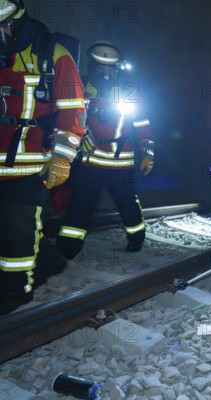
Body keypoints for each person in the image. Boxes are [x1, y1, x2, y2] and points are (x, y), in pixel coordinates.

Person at [0, 0, 86, 315]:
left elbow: (73, 109)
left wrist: (62, 158)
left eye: (5, 25)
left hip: (27, 165)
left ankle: (15, 294)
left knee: (18, 233)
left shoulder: (51, 54)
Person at [56, 41, 154, 260]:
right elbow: (69, 115)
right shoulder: (79, 86)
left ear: (117, 68)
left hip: (121, 161)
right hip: (90, 160)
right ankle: (68, 247)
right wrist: (82, 133)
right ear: (93, 66)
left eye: (110, 67)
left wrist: (148, 152)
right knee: (80, 204)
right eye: (101, 66)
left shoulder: (129, 91)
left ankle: (136, 239)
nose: (106, 72)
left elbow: (141, 123)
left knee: (127, 202)